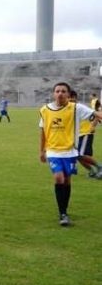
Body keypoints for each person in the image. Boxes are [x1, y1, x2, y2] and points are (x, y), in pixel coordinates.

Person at [39, 83, 102, 226]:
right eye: (57, 91)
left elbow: (96, 114)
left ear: (68, 94)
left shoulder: (76, 108)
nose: (60, 93)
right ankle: (62, 214)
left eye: (63, 91)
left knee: (67, 181)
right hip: (53, 151)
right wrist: (41, 151)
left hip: (70, 152)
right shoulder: (45, 110)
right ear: (53, 93)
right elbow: (43, 131)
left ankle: (64, 211)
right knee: (59, 178)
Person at [69, 90, 102, 178]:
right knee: (77, 155)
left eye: (70, 98)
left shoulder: (80, 107)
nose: (68, 100)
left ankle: (100, 167)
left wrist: (93, 126)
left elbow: (97, 113)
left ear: (74, 98)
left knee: (80, 154)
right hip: (77, 135)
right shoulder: (69, 108)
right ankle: (92, 171)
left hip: (86, 133)